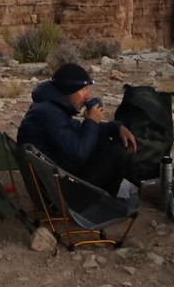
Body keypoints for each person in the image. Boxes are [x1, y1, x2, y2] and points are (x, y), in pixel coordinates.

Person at [17, 62, 139, 194]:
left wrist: (116, 127)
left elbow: (77, 130)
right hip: (58, 192)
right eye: (83, 89)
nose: (87, 96)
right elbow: (79, 153)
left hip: (56, 181)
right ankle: (105, 204)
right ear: (68, 90)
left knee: (106, 141)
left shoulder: (50, 108)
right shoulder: (49, 114)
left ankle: (111, 197)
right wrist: (91, 121)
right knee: (117, 153)